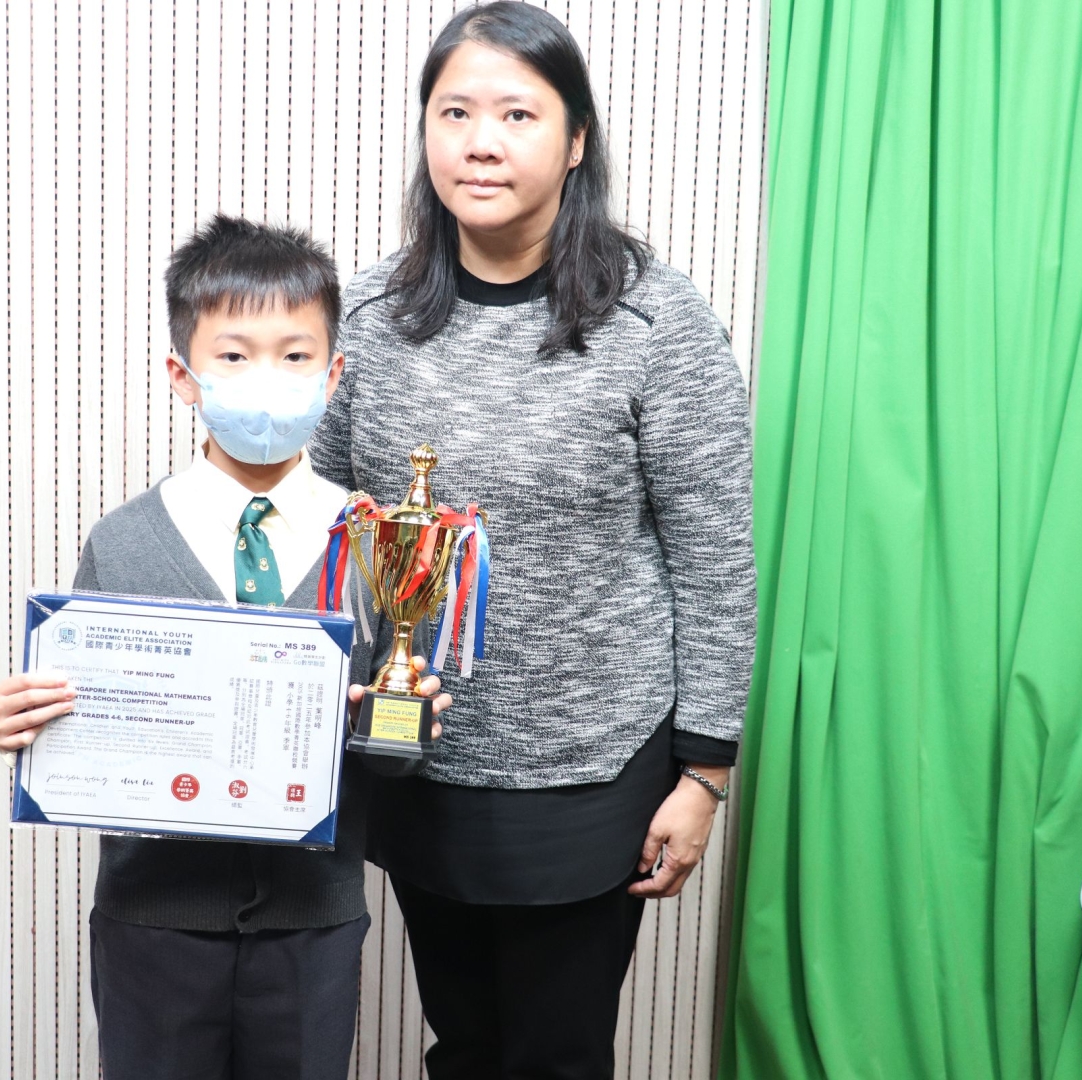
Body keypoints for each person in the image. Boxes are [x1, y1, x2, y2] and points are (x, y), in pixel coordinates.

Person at [305, 5, 755, 1079]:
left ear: (576, 139)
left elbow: (715, 561)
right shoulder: (365, 316)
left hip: (592, 769)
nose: (481, 142)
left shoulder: (657, 324)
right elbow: (314, 521)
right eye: (455, 112)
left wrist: (704, 776)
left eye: (517, 114)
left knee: (558, 1055)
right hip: (416, 758)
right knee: (462, 1045)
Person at [0, 215, 451, 1080]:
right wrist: (30, 727)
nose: (266, 378)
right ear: (184, 376)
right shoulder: (124, 543)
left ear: (334, 373)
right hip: (152, 919)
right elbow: (84, 731)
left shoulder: (379, 542)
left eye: (296, 355)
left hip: (313, 921)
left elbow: (392, 757)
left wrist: (405, 723)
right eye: (234, 356)